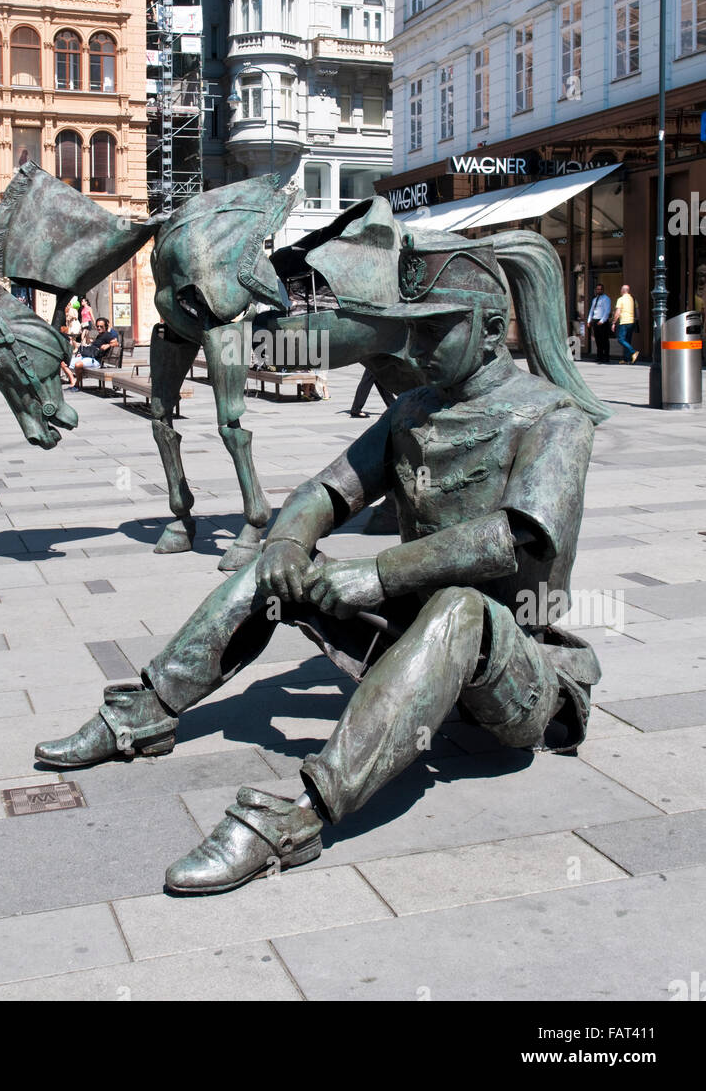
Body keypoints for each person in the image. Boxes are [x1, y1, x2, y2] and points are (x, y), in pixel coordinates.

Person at [36, 229, 607, 897]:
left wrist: (380, 573)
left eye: (434, 332)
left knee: (459, 608)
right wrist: (284, 545)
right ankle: (148, 710)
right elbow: (324, 491)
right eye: (412, 333)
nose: (418, 348)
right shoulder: (413, 410)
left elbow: (513, 538)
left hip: (517, 669)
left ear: (489, 328)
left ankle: (301, 813)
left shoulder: (550, 417)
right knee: (272, 567)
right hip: (414, 633)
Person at [71, 316, 119, 388]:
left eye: (101, 326)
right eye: (97, 326)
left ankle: (77, 384)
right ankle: (72, 381)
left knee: (78, 365)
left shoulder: (107, 335)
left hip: (96, 360)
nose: (99, 328)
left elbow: (116, 343)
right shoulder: (99, 335)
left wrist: (108, 345)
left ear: (105, 326)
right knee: (65, 363)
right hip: (89, 357)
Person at [612, 283, 638, 364]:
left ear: (623, 290)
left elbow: (618, 312)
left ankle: (633, 352)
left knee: (621, 339)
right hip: (632, 322)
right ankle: (627, 359)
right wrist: (637, 319)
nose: (620, 291)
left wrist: (613, 322)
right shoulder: (633, 299)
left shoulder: (621, 299)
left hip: (624, 322)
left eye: (621, 289)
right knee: (627, 340)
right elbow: (637, 310)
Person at [586, 283, 612, 364]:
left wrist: (602, 320)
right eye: (597, 289)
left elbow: (607, 311)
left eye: (600, 289)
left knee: (604, 340)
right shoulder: (594, 299)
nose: (599, 290)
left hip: (602, 321)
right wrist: (589, 320)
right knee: (598, 340)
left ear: (603, 290)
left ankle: (606, 357)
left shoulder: (606, 299)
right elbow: (591, 310)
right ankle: (599, 356)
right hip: (595, 320)